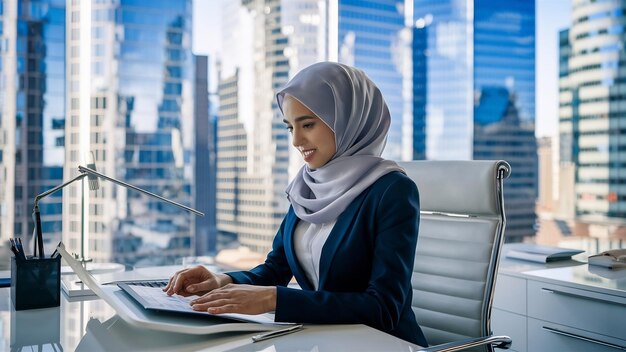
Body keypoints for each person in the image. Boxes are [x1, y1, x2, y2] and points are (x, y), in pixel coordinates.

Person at [164, 61, 427, 346]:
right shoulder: (307, 185)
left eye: (308, 124)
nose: (296, 140)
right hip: (324, 342)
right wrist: (223, 280)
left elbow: (383, 308)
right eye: (290, 127)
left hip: (386, 345)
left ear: (346, 118)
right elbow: (275, 270)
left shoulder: (392, 191)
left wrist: (273, 299)